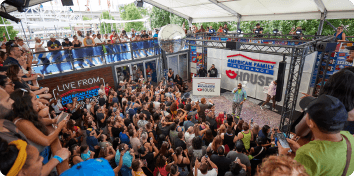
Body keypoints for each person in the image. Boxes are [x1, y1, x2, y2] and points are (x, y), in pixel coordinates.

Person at [279, 95, 354, 176]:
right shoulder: (348, 137)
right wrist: (299, 150)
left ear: (311, 123)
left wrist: (282, 157)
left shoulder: (307, 154)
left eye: (307, 114)